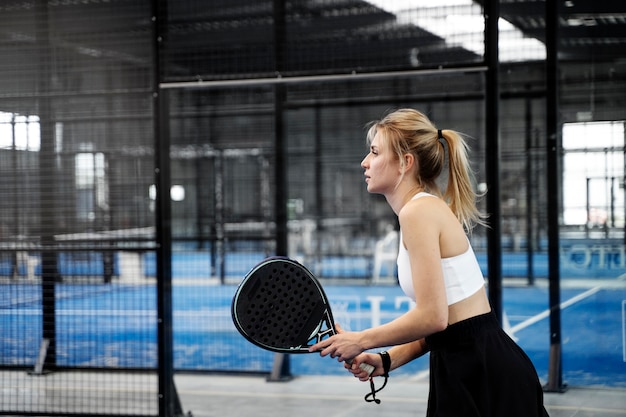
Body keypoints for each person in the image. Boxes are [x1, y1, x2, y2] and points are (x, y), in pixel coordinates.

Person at [310, 108, 549, 416]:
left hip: (482, 371)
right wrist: (386, 360)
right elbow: (446, 325)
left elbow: (433, 317)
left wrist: (360, 340)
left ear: (405, 163)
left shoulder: (417, 213)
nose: (365, 162)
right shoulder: (419, 210)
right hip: (466, 364)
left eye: (374, 152)